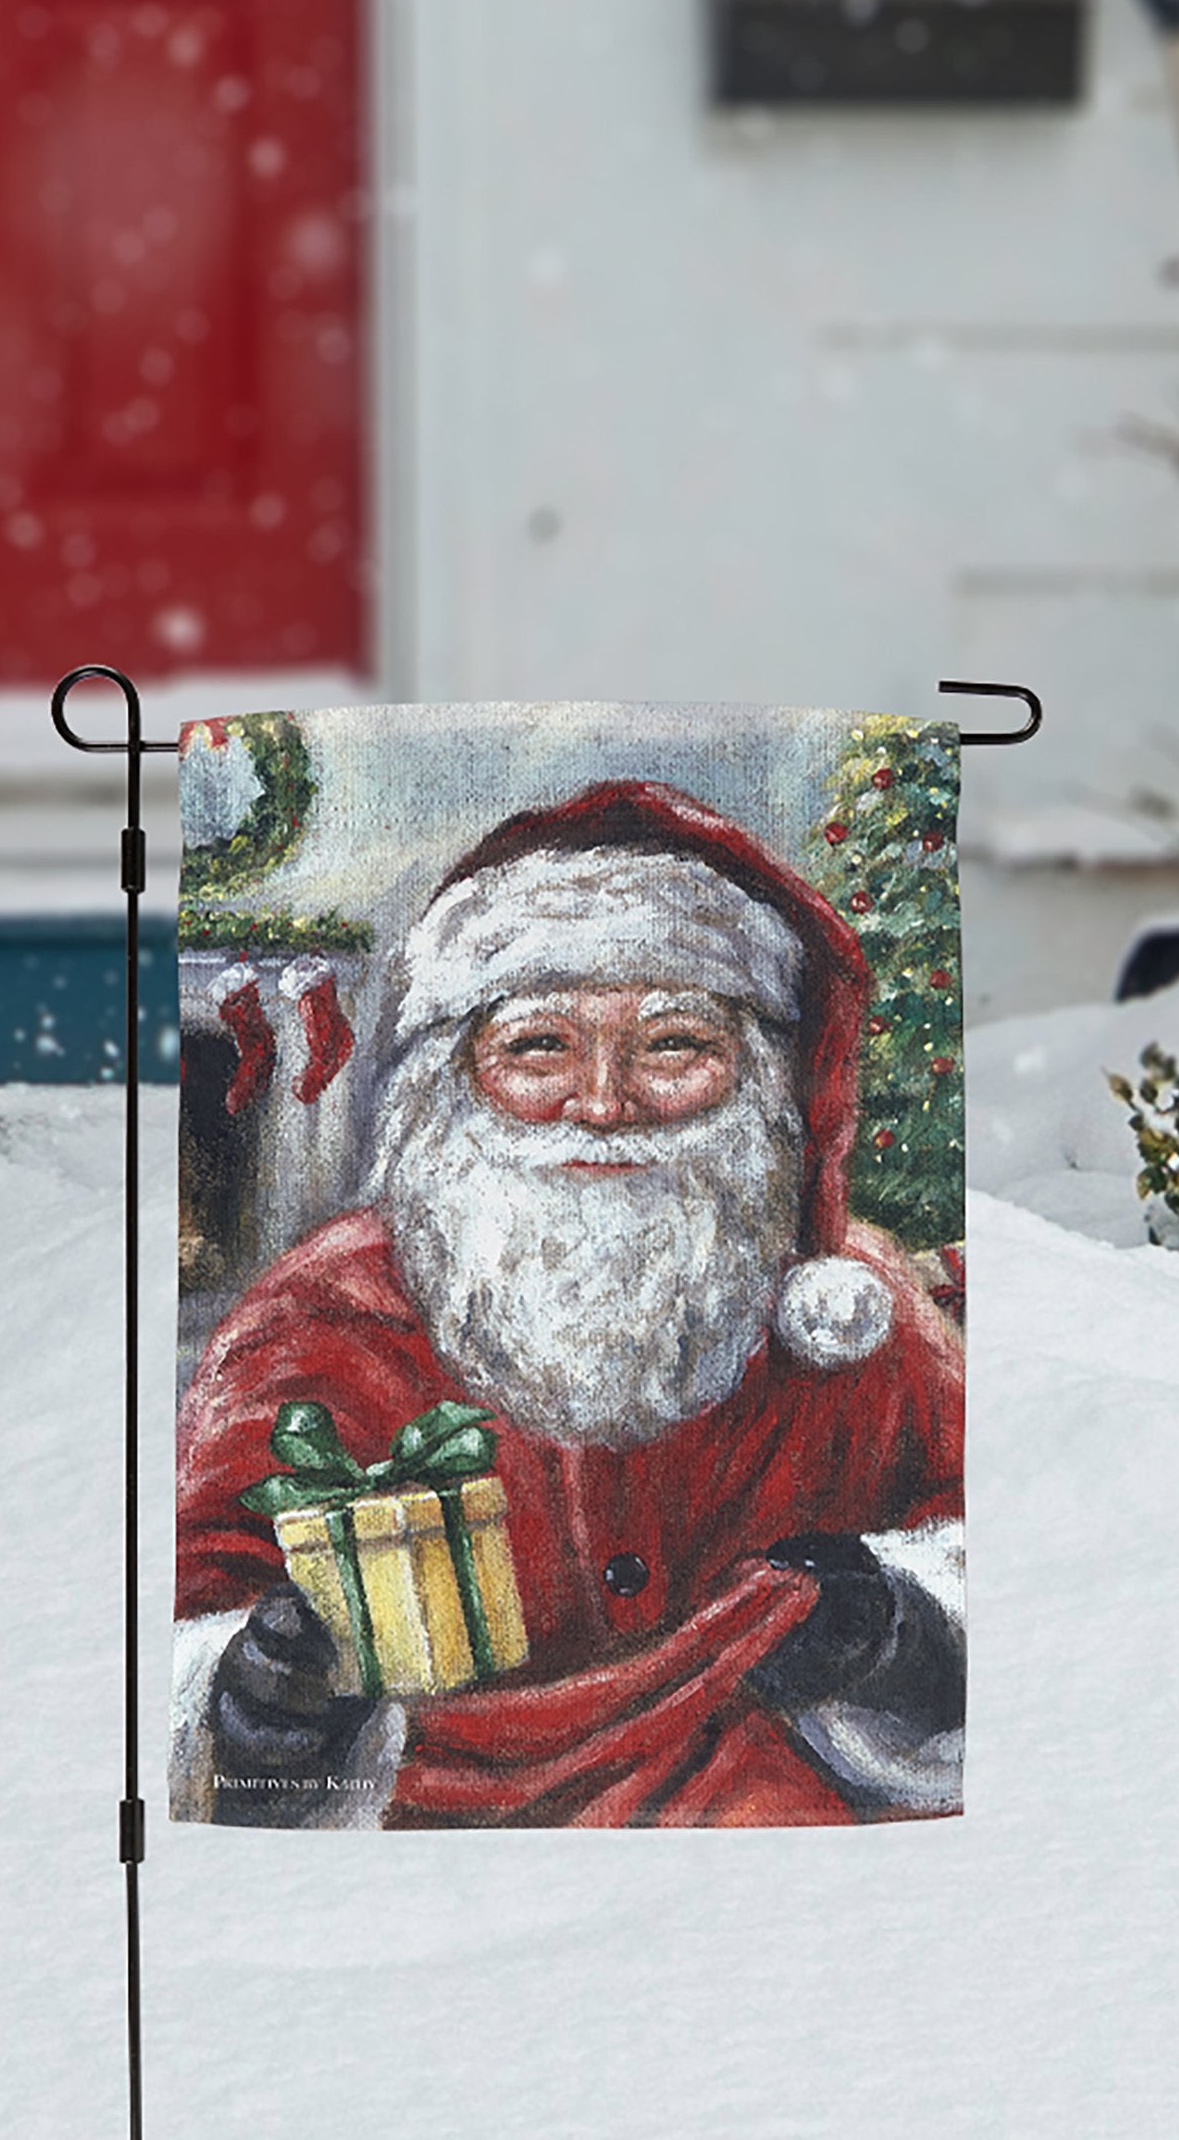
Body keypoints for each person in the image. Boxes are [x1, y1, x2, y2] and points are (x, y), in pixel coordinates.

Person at [171, 780, 965, 1827]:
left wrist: (902, 1629)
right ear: (453, 1079)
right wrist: (250, 1700)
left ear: (760, 1075)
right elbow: (184, 1613)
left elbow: (1002, 1550)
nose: (603, 1101)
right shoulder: (320, 1322)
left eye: (674, 1046)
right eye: (539, 1047)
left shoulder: (848, 1312)